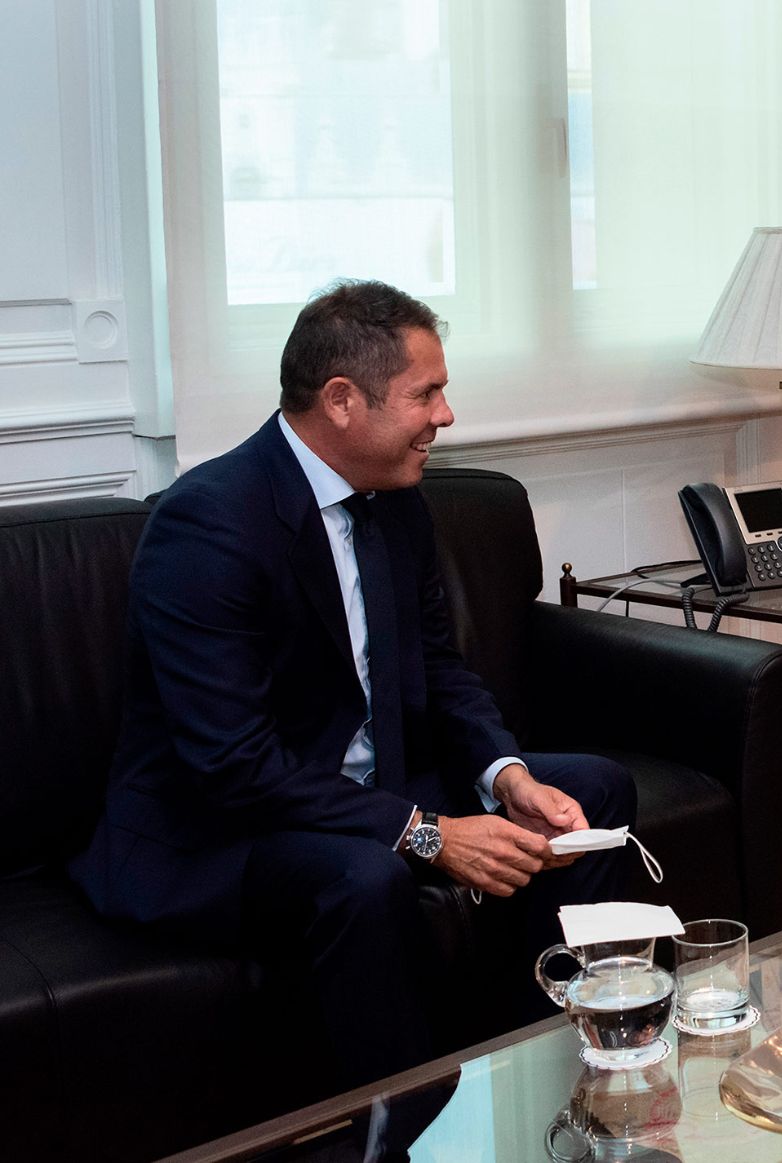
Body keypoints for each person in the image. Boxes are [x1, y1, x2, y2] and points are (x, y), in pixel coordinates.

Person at [70, 279, 637, 1094]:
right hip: (219, 831)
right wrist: (428, 833)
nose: (446, 415)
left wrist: (507, 778)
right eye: (427, 393)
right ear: (342, 400)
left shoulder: (396, 501)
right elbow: (233, 765)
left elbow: (442, 670)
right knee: (362, 876)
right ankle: (401, 1132)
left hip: (370, 794)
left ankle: (547, 1070)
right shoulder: (209, 525)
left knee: (591, 789)